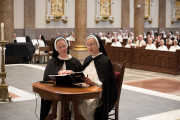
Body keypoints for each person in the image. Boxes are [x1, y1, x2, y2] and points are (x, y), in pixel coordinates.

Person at [62, 35, 117, 120]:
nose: (89, 47)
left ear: (98, 45)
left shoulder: (104, 61)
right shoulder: (88, 58)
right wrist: (73, 73)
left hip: (97, 96)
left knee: (81, 106)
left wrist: (92, 83)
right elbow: (82, 74)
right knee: (69, 102)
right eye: (87, 45)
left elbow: (107, 84)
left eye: (91, 44)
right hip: (84, 91)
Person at [40, 37, 82, 120]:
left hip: (73, 93)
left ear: (67, 46)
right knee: (59, 102)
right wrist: (57, 74)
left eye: (64, 46)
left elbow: (82, 78)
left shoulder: (75, 61)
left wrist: (72, 73)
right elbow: (46, 79)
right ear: (56, 49)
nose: (63, 49)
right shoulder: (52, 61)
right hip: (56, 93)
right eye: (59, 47)